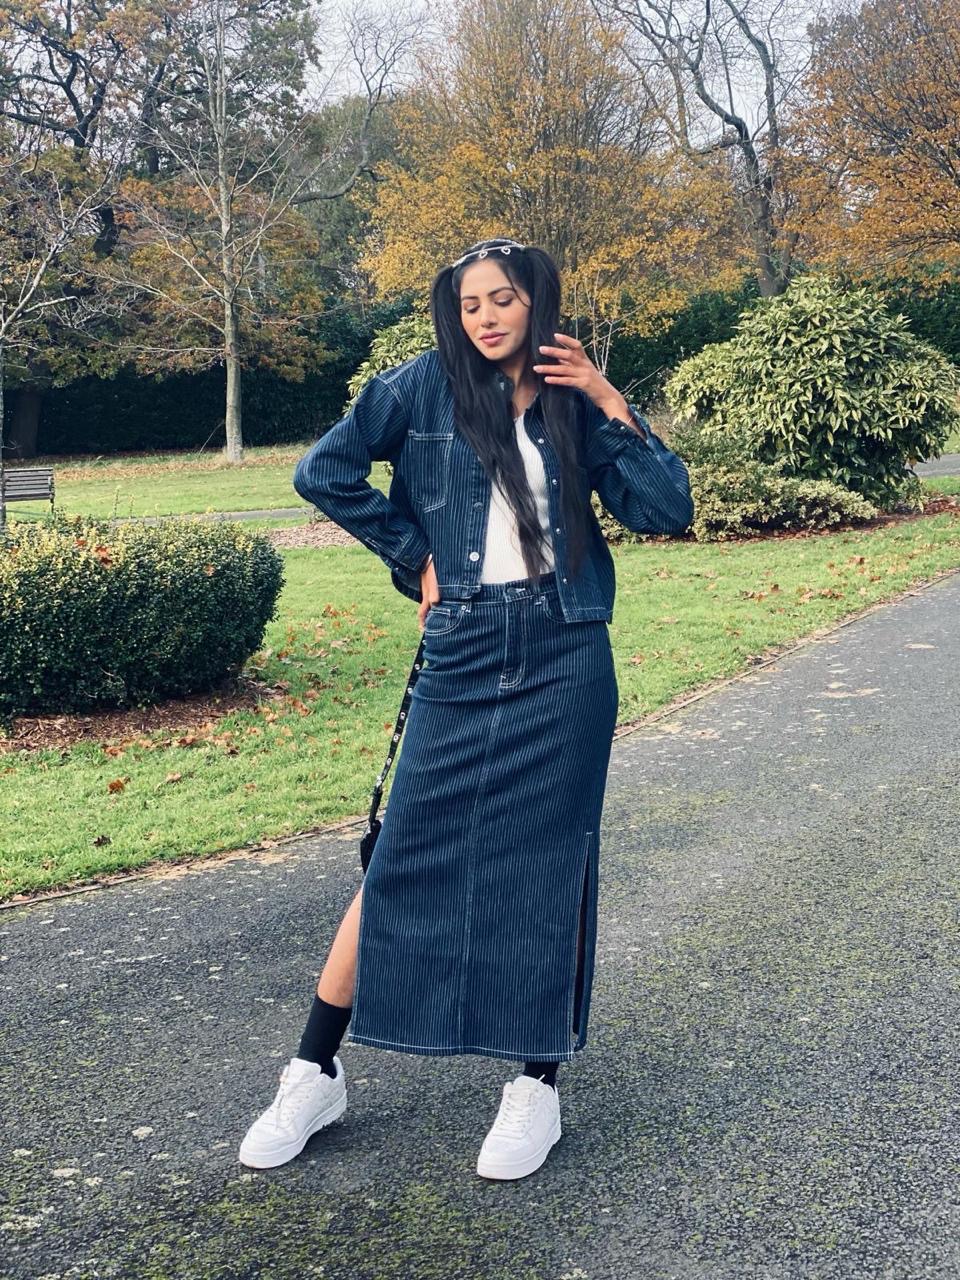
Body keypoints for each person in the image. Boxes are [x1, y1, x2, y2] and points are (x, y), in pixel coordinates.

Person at [239, 237, 694, 1180]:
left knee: (548, 862)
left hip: (566, 648)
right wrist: (416, 557)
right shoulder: (418, 387)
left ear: (537, 302)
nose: (485, 317)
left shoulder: (574, 395)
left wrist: (610, 399)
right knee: (402, 852)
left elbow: (665, 510)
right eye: (470, 302)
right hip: (464, 646)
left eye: (503, 299)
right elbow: (324, 472)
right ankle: (313, 1070)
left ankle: (536, 1085)